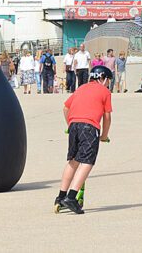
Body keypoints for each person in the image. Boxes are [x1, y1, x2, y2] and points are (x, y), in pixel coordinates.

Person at [55, 65, 113, 214]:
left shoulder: (81, 88)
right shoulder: (104, 91)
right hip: (89, 127)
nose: (108, 85)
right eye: (108, 81)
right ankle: (72, 197)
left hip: (74, 125)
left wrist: (70, 124)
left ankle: (61, 197)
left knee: (73, 161)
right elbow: (107, 116)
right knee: (87, 162)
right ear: (102, 78)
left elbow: (65, 108)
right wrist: (104, 135)